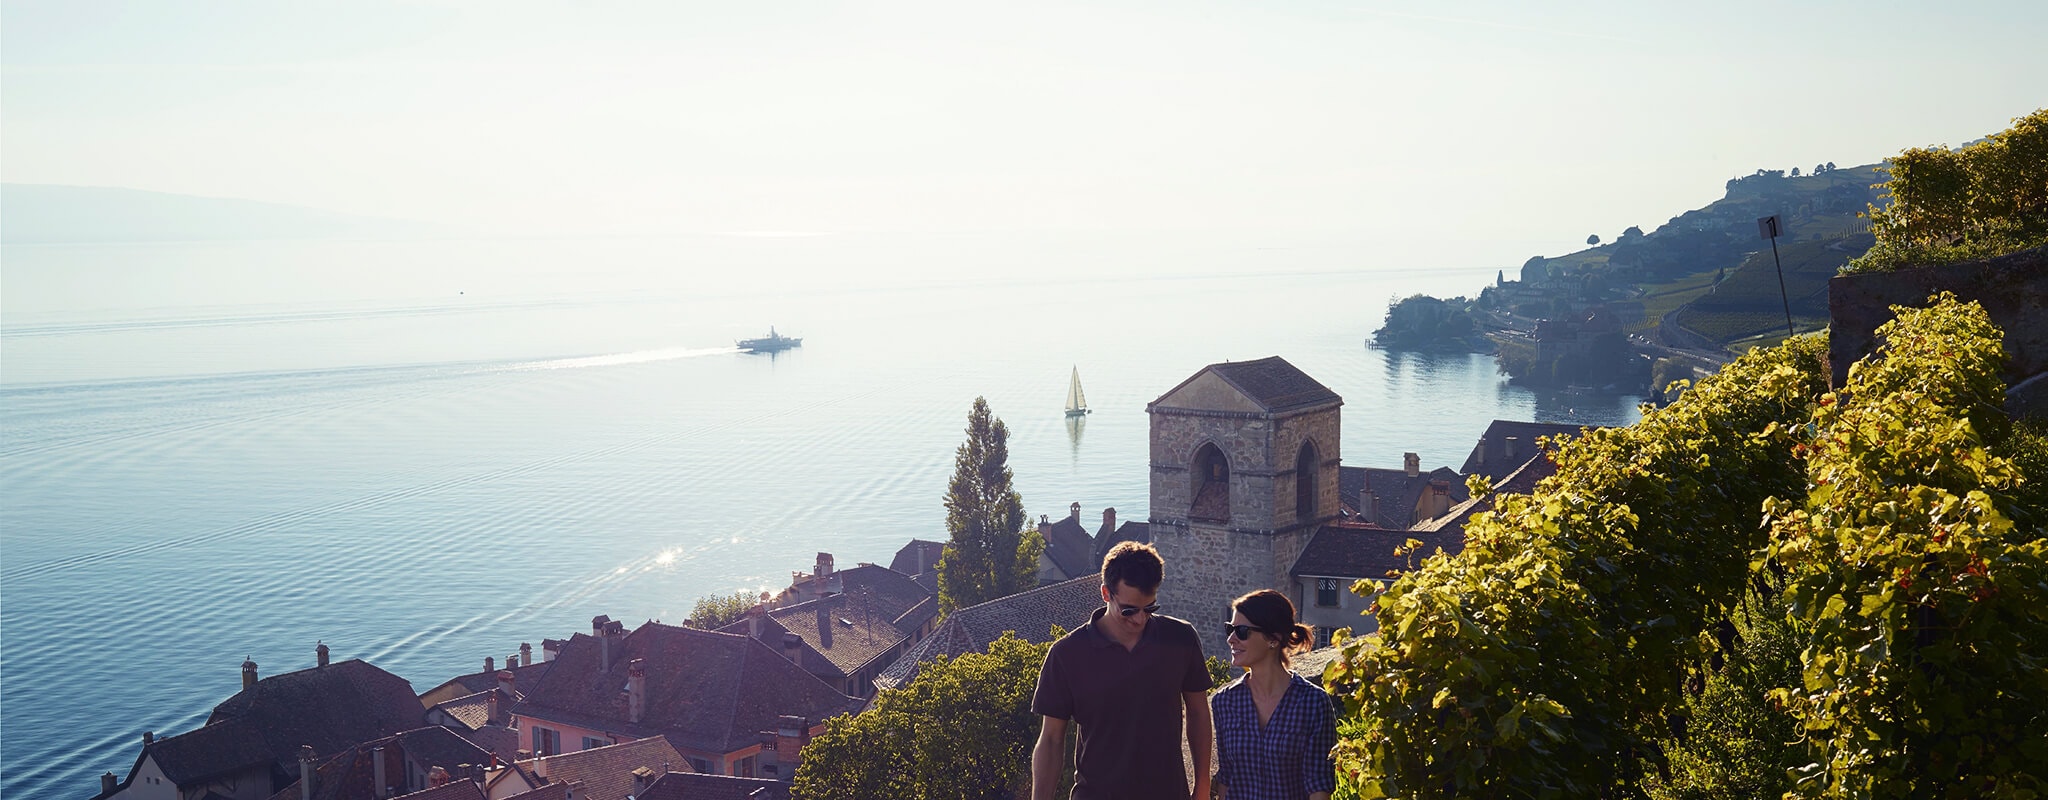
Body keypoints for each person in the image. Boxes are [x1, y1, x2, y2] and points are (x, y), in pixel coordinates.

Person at [1031, 541, 1213, 800]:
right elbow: (1051, 740)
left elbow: (1198, 712)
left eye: (1149, 608)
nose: (1139, 619)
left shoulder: (1180, 637)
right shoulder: (1066, 654)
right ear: (1106, 593)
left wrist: (1202, 787)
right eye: (1129, 610)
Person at [1210, 589, 1337, 800]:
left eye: (1241, 631)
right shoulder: (1224, 702)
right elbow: (1226, 778)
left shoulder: (1313, 702)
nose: (1231, 639)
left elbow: (1318, 785)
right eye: (1229, 629)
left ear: (1273, 638)